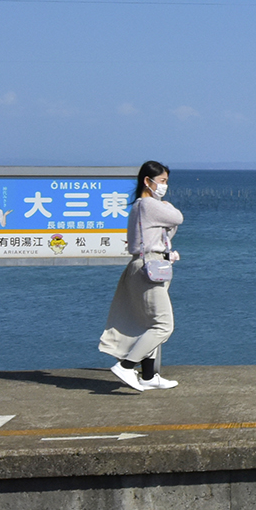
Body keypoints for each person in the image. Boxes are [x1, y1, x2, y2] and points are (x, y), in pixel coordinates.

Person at [98, 160, 182, 391]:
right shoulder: (148, 205)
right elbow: (177, 218)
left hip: (144, 266)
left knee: (148, 323)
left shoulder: (138, 206)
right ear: (148, 181)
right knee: (163, 325)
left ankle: (148, 376)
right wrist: (167, 204)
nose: (165, 186)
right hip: (149, 267)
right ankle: (126, 366)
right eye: (162, 181)